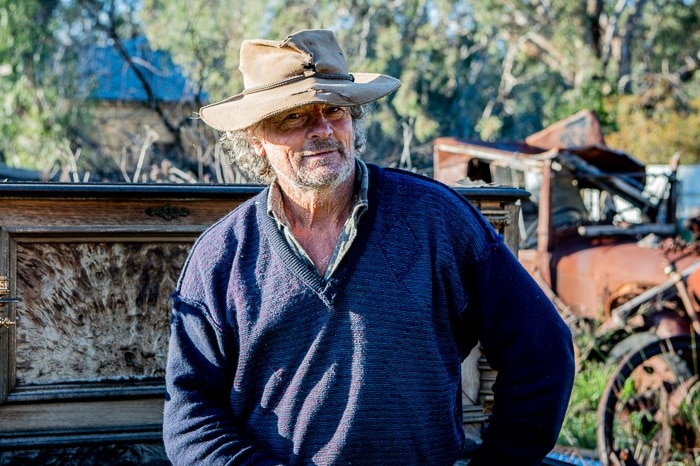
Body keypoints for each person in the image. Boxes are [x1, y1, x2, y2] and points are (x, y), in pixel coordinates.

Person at [163, 29, 575, 466]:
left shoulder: (437, 220)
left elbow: (542, 352)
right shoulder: (222, 257)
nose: (322, 129)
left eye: (334, 111)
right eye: (294, 117)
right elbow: (190, 417)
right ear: (257, 141)